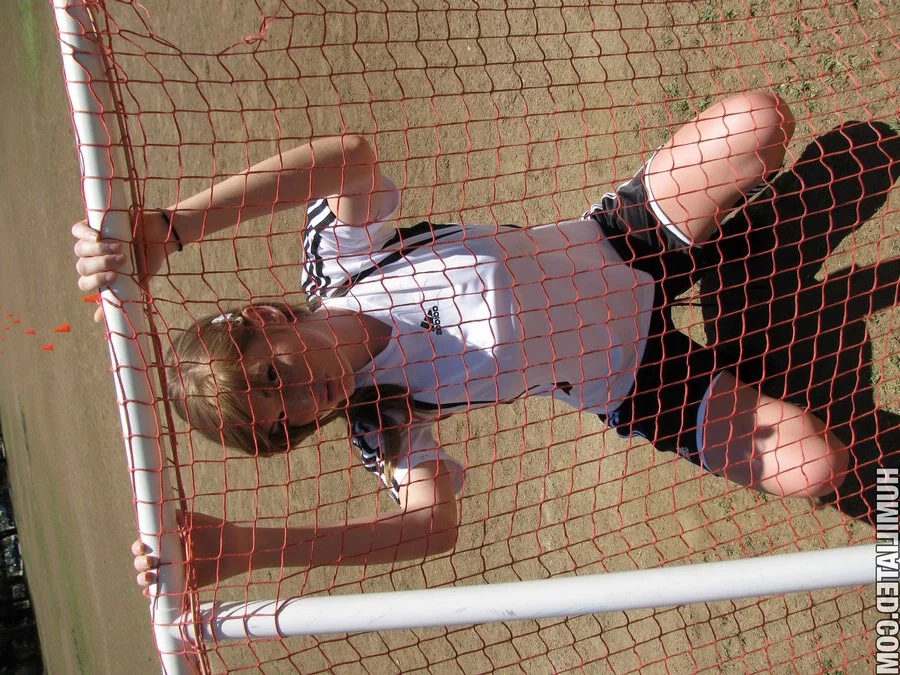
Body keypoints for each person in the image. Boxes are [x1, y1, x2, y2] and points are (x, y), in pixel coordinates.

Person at [72, 92, 849, 594]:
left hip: (623, 239)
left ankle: (718, 261)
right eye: (289, 418)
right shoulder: (382, 422)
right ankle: (735, 291)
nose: (307, 398)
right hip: (638, 380)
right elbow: (430, 528)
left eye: (276, 376)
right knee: (817, 465)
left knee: (760, 122)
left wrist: (173, 229)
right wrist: (246, 550)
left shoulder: (338, 262)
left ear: (265, 318)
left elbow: (350, 158)